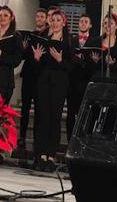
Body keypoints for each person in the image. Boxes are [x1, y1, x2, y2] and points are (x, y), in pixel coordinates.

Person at [32, 10, 72, 172]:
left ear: (63, 23)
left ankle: (50, 155)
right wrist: (36, 58)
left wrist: (60, 60)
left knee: (54, 118)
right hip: (43, 82)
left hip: (59, 84)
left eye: (58, 20)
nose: (55, 22)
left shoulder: (69, 43)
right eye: (53, 20)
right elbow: (38, 68)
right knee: (42, 117)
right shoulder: (45, 40)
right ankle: (40, 154)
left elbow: (72, 68)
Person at [18, 8, 48, 148]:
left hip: (41, 77)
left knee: (39, 109)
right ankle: (22, 137)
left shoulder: (48, 36)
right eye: (38, 16)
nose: (39, 19)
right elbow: (23, 57)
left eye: (42, 16)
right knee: (24, 108)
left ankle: (37, 139)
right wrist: (24, 48)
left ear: (46, 19)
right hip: (28, 74)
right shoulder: (29, 35)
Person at [67, 14, 95, 141]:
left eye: (86, 21)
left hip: (86, 82)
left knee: (84, 113)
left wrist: (85, 60)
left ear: (90, 25)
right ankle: (69, 140)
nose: (83, 23)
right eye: (81, 21)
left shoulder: (94, 41)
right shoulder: (71, 40)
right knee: (70, 113)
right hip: (72, 81)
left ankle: (80, 140)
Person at [85, 13, 117, 80]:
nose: (107, 26)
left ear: (116, 26)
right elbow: (87, 68)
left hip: (115, 82)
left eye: (110, 23)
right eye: (105, 23)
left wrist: (113, 65)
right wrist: (95, 62)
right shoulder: (94, 42)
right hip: (97, 81)